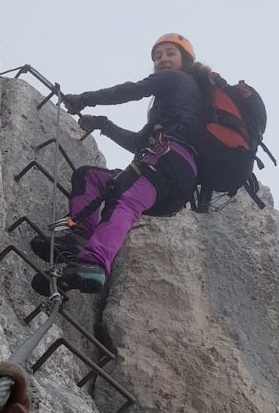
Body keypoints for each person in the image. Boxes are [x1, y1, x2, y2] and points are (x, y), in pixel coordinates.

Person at [31, 33, 205, 295]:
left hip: (169, 162)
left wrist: (83, 98)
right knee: (89, 177)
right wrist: (103, 124)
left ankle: (94, 263)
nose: (162, 60)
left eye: (170, 53)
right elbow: (139, 143)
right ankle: (80, 237)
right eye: (157, 57)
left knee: (124, 201)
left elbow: (130, 90)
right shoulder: (172, 108)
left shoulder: (176, 80)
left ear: (186, 61)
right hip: (170, 176)